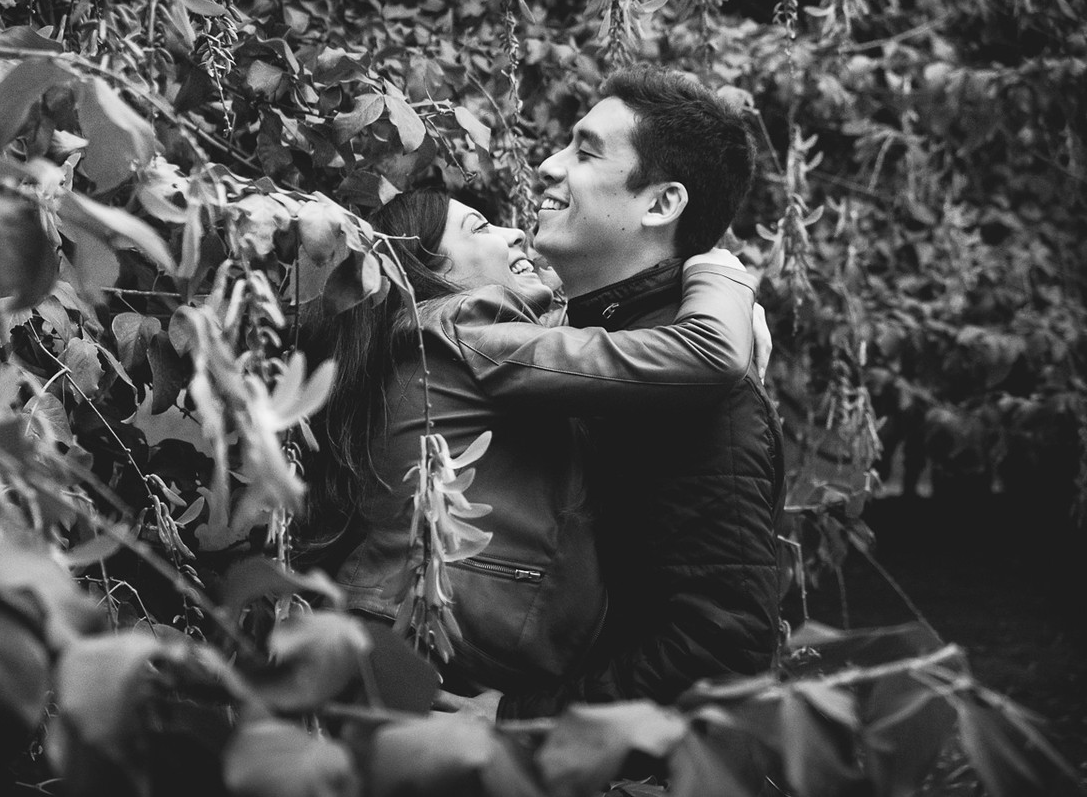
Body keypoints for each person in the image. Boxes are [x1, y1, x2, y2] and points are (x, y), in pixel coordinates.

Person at [298, 188, 761, 702]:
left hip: (406, 637)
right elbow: (709, 352)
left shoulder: (431, 342)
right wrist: (722, 275)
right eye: (479, 228)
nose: (515, 232)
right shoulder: (463, 328)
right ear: (431, 270)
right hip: (436, 644)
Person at [487, 64, 785, 718]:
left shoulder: (700, 395)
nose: (547, 165)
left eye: (585, 151)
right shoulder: (608, 340)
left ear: (660, 203)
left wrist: (521, 718)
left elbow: (724, 646)